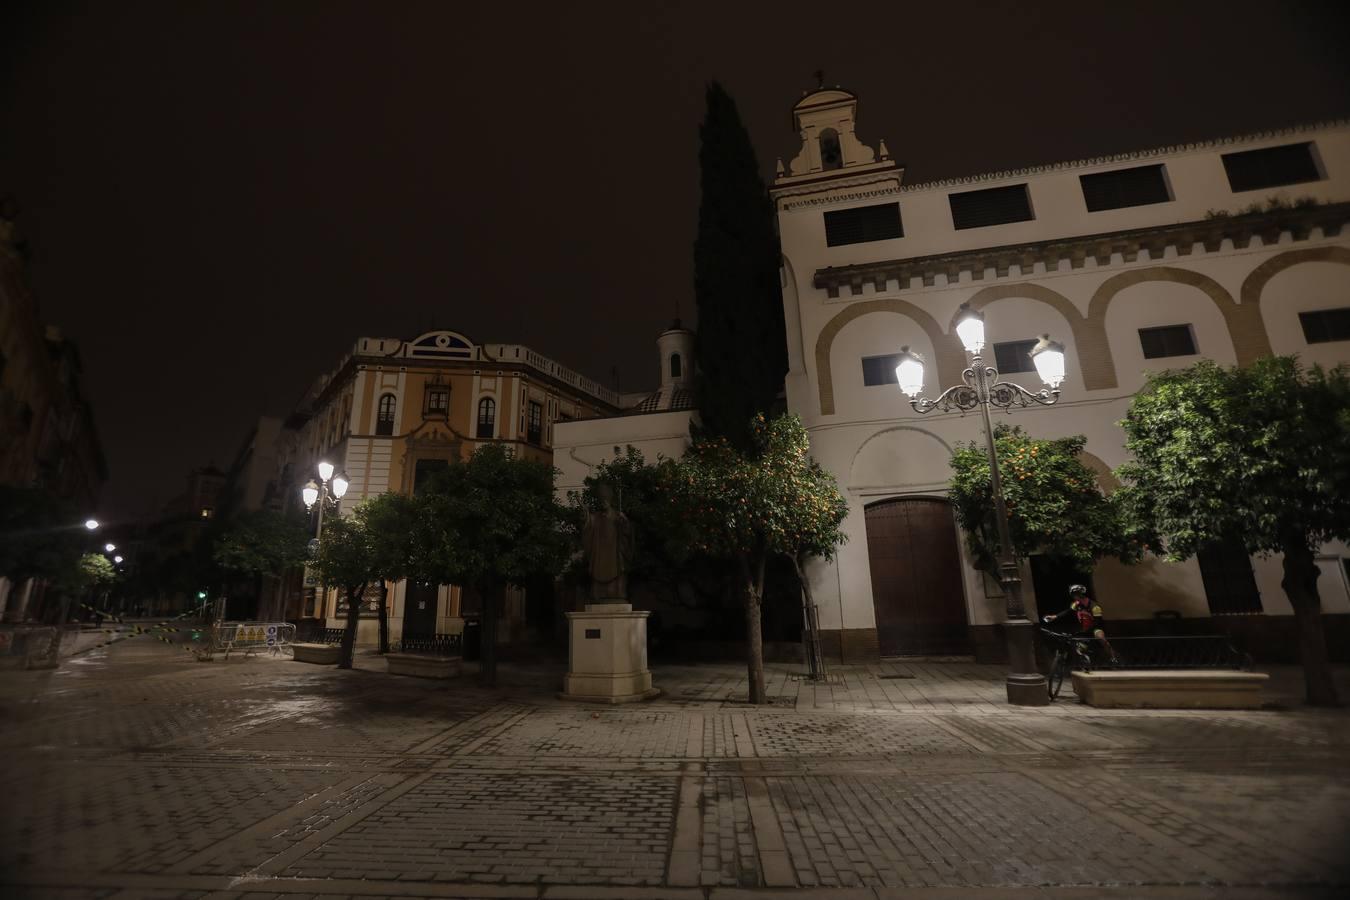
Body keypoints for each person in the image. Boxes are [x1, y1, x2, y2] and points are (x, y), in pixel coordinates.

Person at [1043, 584, 1118, 664]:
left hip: (1096, 628)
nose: (1074, 596)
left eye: (1076, 594)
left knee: (1101, 638)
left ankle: (1113, 658)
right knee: (1078, 646)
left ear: (1081, 594)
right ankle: (1085, 660)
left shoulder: (1094, 606)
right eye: (1073, 594)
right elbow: (1068, 611)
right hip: (1084, 628)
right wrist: (1055, 616)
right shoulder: (1076, 604)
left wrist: (1087, 631)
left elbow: (1098, 622)